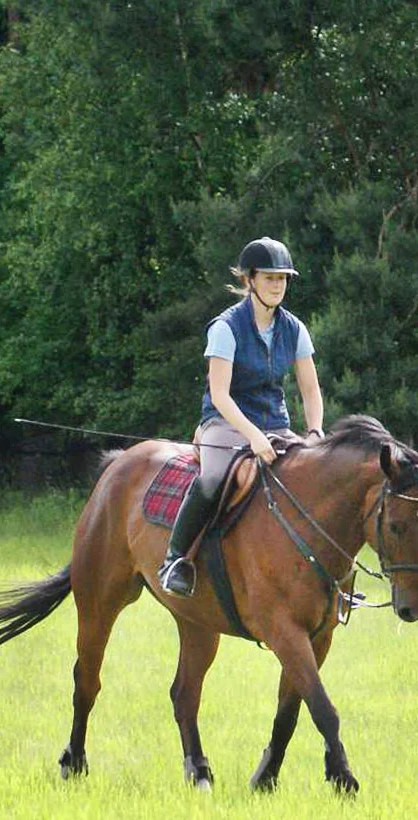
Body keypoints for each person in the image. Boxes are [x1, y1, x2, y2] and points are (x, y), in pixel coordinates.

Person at [156, 237, 325, 598]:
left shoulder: (294, 328)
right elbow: (220, 394)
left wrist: (314, 431)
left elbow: (310, 390)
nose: (278, 285)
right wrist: (252, 436)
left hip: (276, 425)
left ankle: (324, 578)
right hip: (225, 422)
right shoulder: (226, 328)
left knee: (314, 479)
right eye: (270, 278)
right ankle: (174, 559)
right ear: (250, 280)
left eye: (283, 279)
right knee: (214, 478)